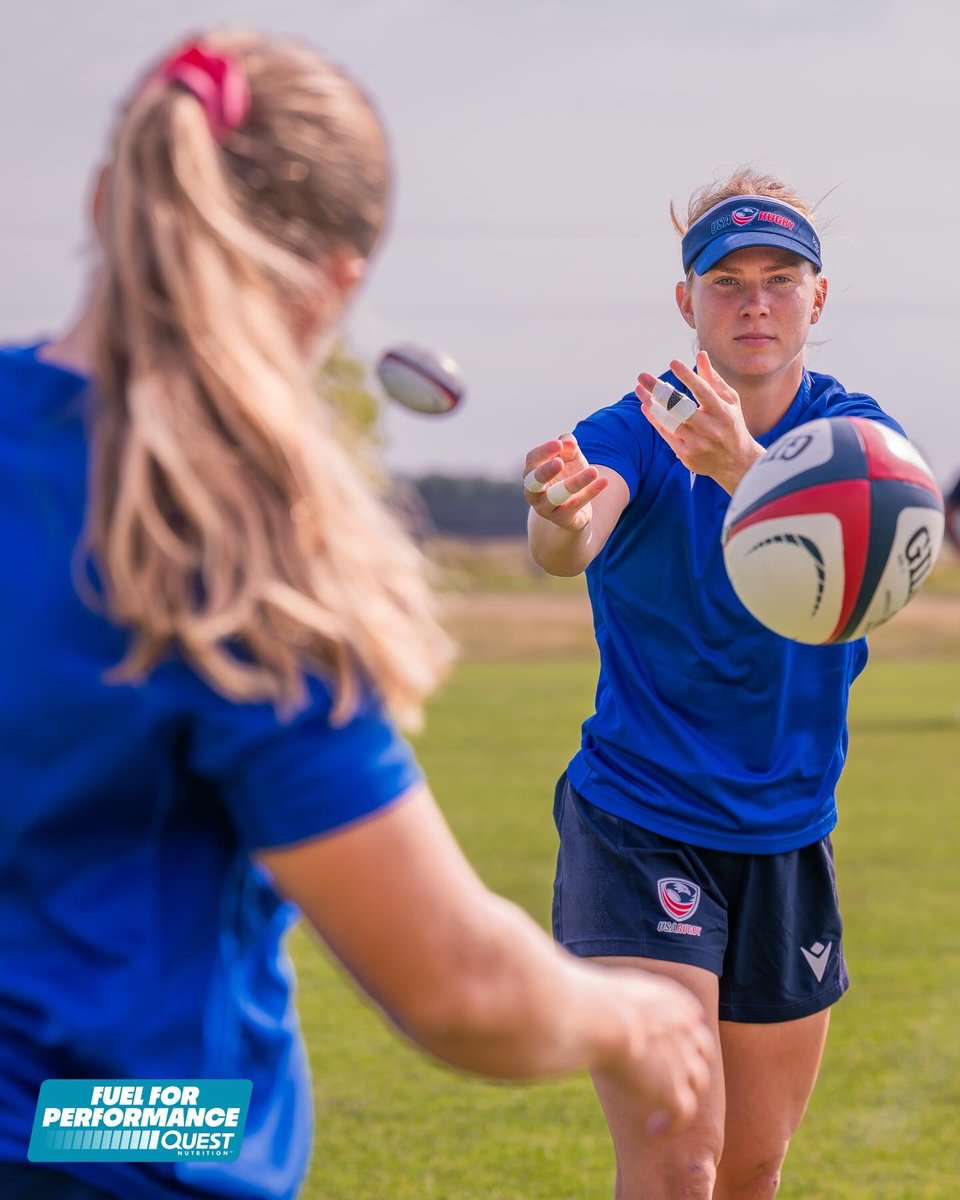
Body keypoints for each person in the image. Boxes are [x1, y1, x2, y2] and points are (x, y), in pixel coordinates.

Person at [0, 31, 714, 1200]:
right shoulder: (226, 564)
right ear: (337, 284)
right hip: (102, 1143)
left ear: (100, 198)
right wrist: (630, 1020)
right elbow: (453, 985)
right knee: (131, 1116)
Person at [523, 170, 908, 1200]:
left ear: (817, 298)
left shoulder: (859, 437)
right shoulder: (638, 426)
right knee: (678, 1151)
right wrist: (561, 514)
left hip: (786, 829)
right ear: (685, 300)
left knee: (750, 1166)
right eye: (726, 281)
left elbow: (872, 569)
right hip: (640, 823)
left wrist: (745, 465)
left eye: (780, 280)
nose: (754, 303)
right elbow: (572, 532)